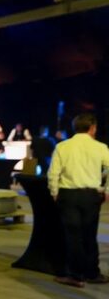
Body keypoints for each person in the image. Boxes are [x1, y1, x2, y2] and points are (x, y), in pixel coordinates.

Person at [47, 113, 109, 287]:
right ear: (92, 128)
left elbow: (53, 172)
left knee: (73, 236)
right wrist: (107, 190)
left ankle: (75, 275)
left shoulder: (62, 146)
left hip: (68, 195)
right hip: (91, 195)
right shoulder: (100, 147)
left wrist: (54, 191)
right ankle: (92, 273)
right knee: (90, 235)